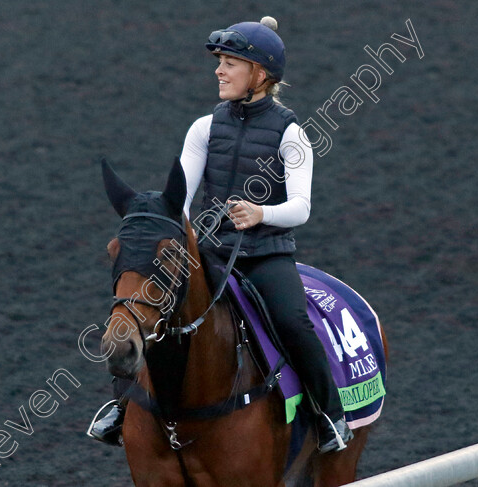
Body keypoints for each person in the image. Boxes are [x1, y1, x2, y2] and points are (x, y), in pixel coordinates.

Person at [88, 16, 353, 454]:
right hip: (210, 253)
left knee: (293, 321)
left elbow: (301, 209)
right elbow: (183, 204)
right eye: (220, 62)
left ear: (260, 75)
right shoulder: (204, 128)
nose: (219, 71)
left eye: (231, 63)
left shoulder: (292, 134)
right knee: (150, 307)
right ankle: (122, 407)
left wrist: (260, 212)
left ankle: (330, 415)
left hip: (266, 255)